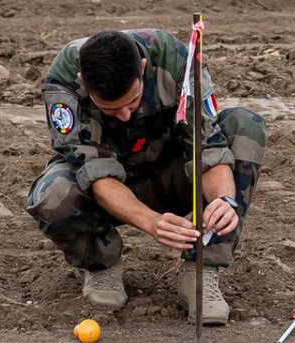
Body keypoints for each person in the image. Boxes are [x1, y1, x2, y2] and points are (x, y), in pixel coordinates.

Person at [26, 28, 267, 325]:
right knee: (53, 195)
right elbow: (95, 173)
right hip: (106, 187)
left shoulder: (176, 60)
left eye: (133, 101)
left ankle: (201, 269)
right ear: (82, 82)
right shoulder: (64, 78)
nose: (125, 115)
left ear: (142, 68)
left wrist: (224, 200)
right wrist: (151, 222)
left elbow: (207, 147)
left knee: (246, 126)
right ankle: (101, 264)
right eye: (111, 109)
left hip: (170, 173)